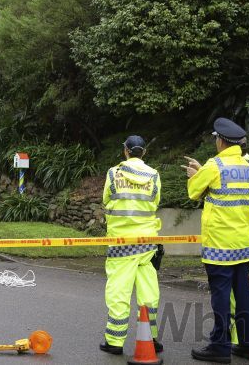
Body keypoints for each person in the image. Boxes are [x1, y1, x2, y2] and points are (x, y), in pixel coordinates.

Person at [182, 118, 249, 363]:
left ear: (221, 141)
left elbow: (194, 191)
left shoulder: (214, 165)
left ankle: (220, 346)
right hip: (245, 243)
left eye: (216, 138)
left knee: (221, 296)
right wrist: (202, 172)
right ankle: (248, 345)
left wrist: (193, 175)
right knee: (244, 293)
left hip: (220, 245)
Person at [100, 135, 163, 355]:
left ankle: (115, 342)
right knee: (149, 292)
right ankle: (150, 337)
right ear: (143, 152)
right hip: (147, 243)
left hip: (120, 244)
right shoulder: (154, 175)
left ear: (125, 150)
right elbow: (154, 203)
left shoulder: (112, 174)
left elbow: (107, 201)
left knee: (119, 291)